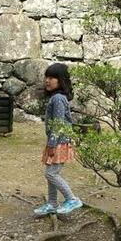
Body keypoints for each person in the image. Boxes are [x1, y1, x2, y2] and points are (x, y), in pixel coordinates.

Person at [34, 62, 83, 217]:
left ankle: (72, 199)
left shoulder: (58, 99)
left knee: (51, 174)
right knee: (50, 172)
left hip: (59, 142)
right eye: (46, 77)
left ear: (61, 80)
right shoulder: (56, 98)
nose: (47, 81)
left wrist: (52, 144)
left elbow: (59, 124)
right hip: (56, 141)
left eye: (52, 77)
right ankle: (52, 203)